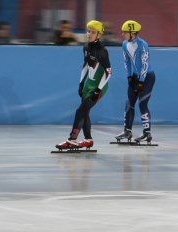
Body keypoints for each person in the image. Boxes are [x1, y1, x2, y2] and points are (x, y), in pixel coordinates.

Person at [55, 19, 112, 150]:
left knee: (80, 111)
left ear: (99, 35)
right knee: (85, 112)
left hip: (100, 86)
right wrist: (81, 83)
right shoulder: (86, 47)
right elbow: (86, 66)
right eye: (88, 31)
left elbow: (109, 72)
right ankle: (88, 139)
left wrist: (98, 89)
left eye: (93, 32)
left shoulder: (102, 51)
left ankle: (72, 140)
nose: (89, 34)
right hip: (88, 84)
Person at [115, 19, 156, 143]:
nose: (122, 34)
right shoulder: (124, 44)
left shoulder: (143, 44)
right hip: (135, 76)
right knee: (129, 103)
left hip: (147, 77)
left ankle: (147, 133)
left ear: (133, 33)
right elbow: (126, 61)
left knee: (142, 104)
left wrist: (141, 82)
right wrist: (129, 76)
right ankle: (127, 131)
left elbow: (144, 64)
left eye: (125, 32)